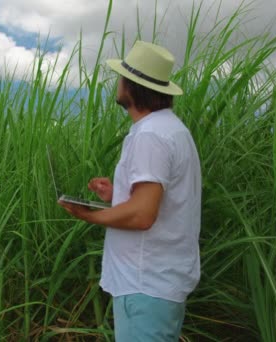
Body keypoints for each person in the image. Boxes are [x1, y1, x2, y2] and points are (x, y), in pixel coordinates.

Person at [58, 41, 201, 341]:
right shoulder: (170, 129)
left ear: (134, 87)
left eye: (122, 77)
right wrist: (117, 194)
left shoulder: (151, 135)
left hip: (144, 284)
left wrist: (90, 215)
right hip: (156, 283)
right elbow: (157, 200)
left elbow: (142, 215)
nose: (118, 82)